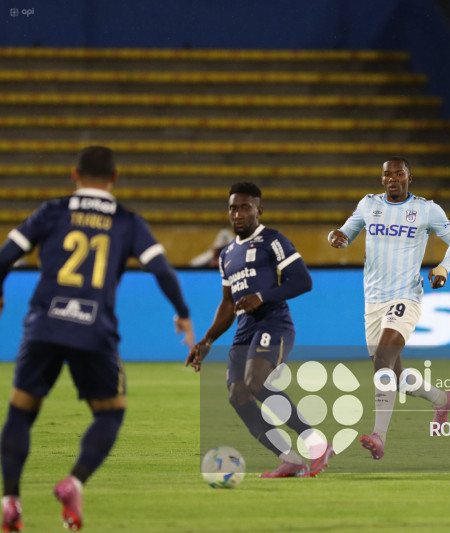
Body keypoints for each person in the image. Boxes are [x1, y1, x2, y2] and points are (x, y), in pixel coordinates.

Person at [0, 146, 194, 531]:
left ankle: (10, 501)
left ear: (74, 176)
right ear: (115, 178)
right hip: (94, 327)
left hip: (44, 324)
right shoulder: (128, 221)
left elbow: (5, 255)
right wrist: (183, 313)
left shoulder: (52, 210)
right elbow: (162, 270)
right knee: (110, 411)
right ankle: (74, 482)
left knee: (21, 412)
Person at [186, 182, 334, 478]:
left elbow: (303, 281)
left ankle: (316, 444)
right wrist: (206, 340)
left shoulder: (272, 240)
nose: (238, 213)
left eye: (244, 207)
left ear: (258, 210)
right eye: (233, 208)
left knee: (256, 381)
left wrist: (263, 296)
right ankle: (289, 459)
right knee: (238, 394)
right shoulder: (227, 255)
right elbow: (227, 303)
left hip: (274, 323)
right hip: (244, 331)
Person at [328, 156, 450, 460]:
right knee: (397, 376)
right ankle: (442, 400)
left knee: (382, 362)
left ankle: (378, 436)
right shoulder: (368, 205)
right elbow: (344, 233)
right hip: (373, 301)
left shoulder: (426, 209)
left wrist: (443, 268)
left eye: (399, 174)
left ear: (409, 178)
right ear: (382, 180)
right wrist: (335, 237)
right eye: (387, 174)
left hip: (406, 296)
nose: (392, 178)